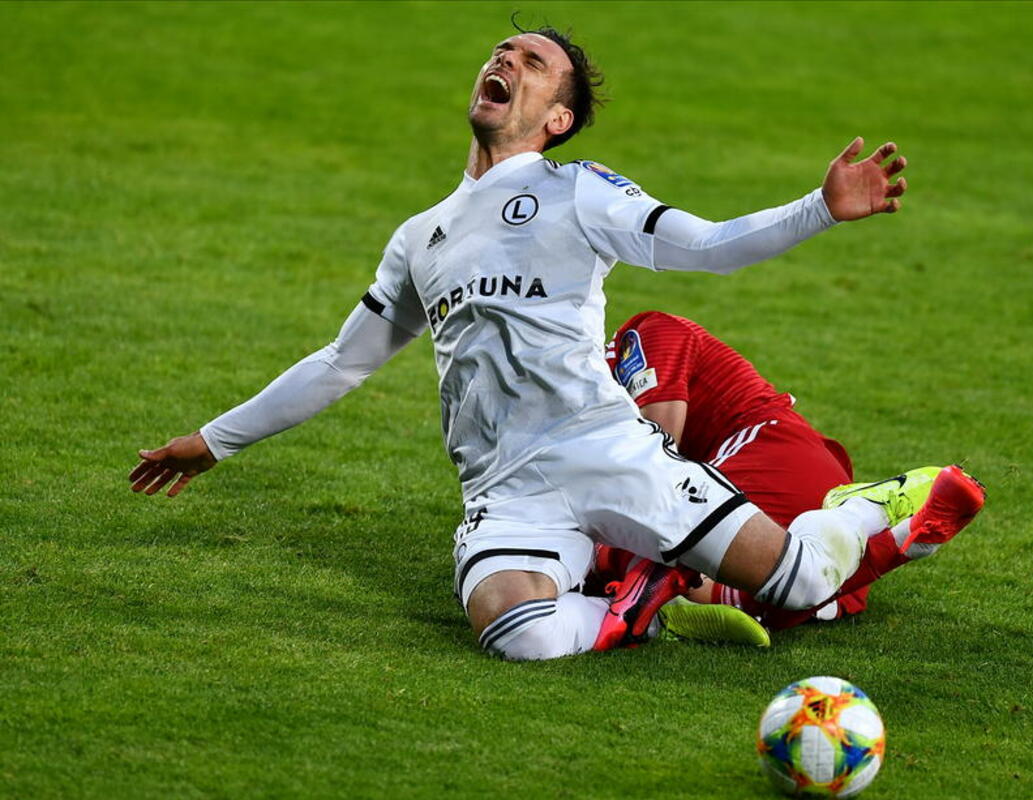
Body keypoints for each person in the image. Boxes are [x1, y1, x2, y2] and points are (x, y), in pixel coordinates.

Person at [128, 25, 933, 662]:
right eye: (501, 52)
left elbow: (709, 246)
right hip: (505, 486)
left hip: (606, 449)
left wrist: (819, 207)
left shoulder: (578, 190)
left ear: (557, 120)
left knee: (802, 580)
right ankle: (646, 606)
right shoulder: (420, 237)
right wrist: (215, 440)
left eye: (533, 62)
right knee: (517, 632)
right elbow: (344, 362)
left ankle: (860, 511)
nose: (505, 60)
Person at [597, 311, 985, 638]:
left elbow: (657, 458)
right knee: (788, 592)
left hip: (767, 451)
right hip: (789, 481)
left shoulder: (644, 332)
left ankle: (868, 513)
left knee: (623, 539)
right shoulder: (581, 399)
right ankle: (893, 531)